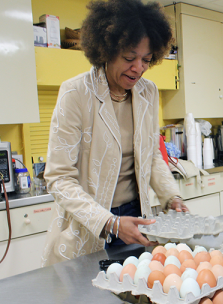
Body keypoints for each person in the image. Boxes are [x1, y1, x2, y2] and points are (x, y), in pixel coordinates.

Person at [41, 0, 187, 267]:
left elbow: (151, 155)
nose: (138, 68)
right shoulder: (75, 94)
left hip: (135, 219)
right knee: (88, 301)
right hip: (89, 223)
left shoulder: (147, 92)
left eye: (146, 59)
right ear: (106, 50)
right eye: (130, 58)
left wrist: (171, 197)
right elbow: (59, 177)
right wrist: (109, 222)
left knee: (135, 292)